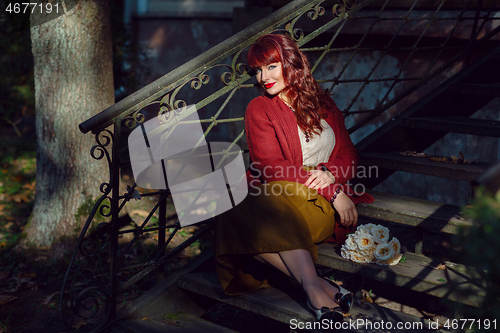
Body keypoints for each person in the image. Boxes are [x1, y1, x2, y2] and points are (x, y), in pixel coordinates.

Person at [214, 34, 374, 322]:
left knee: (245, 220)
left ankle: (317, 288)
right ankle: (317, 287)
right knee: (236, 206)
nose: (263, 77)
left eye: (271, 67)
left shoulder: (324, 102)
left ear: (291, 62)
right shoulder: (259, 108)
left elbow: (350, 154)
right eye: (257, 71)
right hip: (280, 196)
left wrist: (332, 177)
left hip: (315, 207)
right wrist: (333, 193)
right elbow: (270, 166)